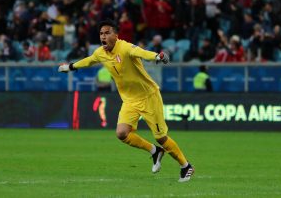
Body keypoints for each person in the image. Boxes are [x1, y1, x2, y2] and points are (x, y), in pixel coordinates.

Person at [58, 19, 194, 182]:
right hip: (130, 100)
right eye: (101, 33)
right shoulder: (100, 53)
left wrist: (157, 56)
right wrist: (70, 67)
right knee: (122, 133)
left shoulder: (125, 47)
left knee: (161, 137)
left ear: (116, 35)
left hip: (149, 96)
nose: (103, 36)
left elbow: (142, 53)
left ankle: (186, 166)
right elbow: (88, 60)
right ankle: (154, 152)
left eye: (107, 33)